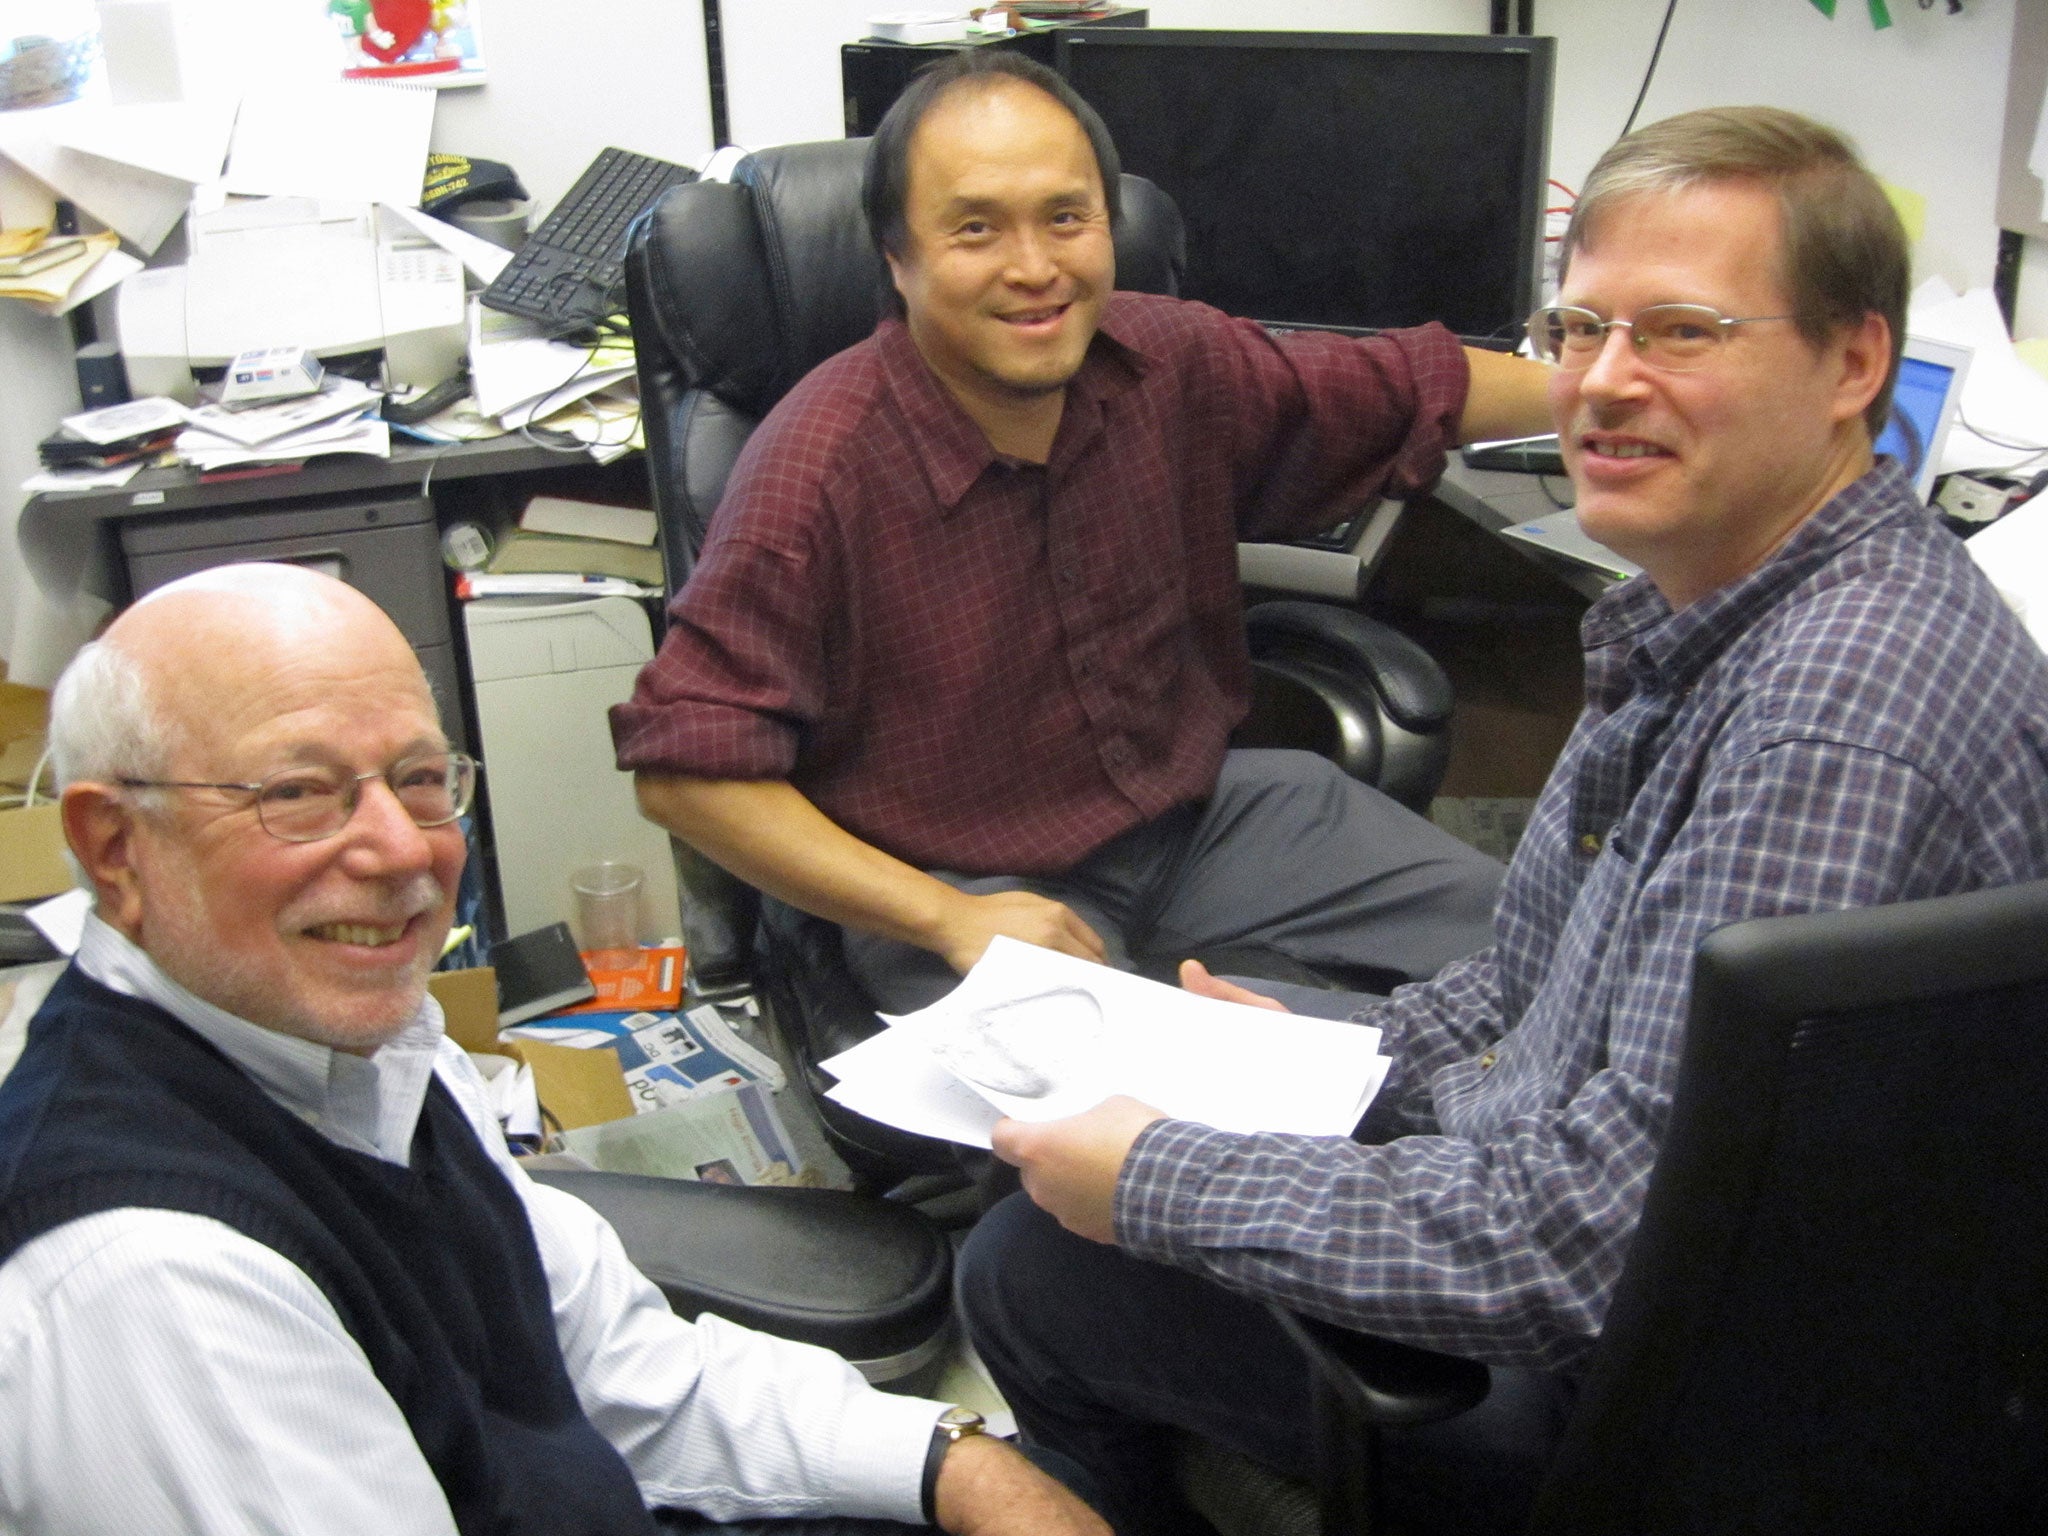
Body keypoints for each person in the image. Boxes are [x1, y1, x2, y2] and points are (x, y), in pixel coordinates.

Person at [957, 105, 2048, 1536]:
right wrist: (1327, 1057)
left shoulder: (1831, 726)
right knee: (1168, 1099)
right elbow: (1531, 1008)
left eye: (1680, 333)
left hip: (1682, 1426)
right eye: (1580, 326)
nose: (1602, 382)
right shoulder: (1708, 601)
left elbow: (1580, 1250)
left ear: (1853, 362)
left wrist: (1161, 1180)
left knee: (1031, 1273)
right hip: (1660, 1278)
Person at [0, 563, 1106, 1536]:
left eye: (420, 779)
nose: (403, 851)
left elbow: (620, 1371)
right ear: (114, 847)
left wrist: (953, 1465)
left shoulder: (351, 1041)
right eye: (298, 794)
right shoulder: (157, 1289)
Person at [609, 50, 1553, 1015]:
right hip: (962, 885)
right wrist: (944, 918)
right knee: (1153, 1121)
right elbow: (686, 773)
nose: (1035, 269)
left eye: (1067, 219)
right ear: (898, 257)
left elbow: (1411, 383)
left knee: (1561, 960)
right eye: (976, 228)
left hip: (1201, 825)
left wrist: (1612, 399)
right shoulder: (814, 473)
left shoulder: (1171, 360)